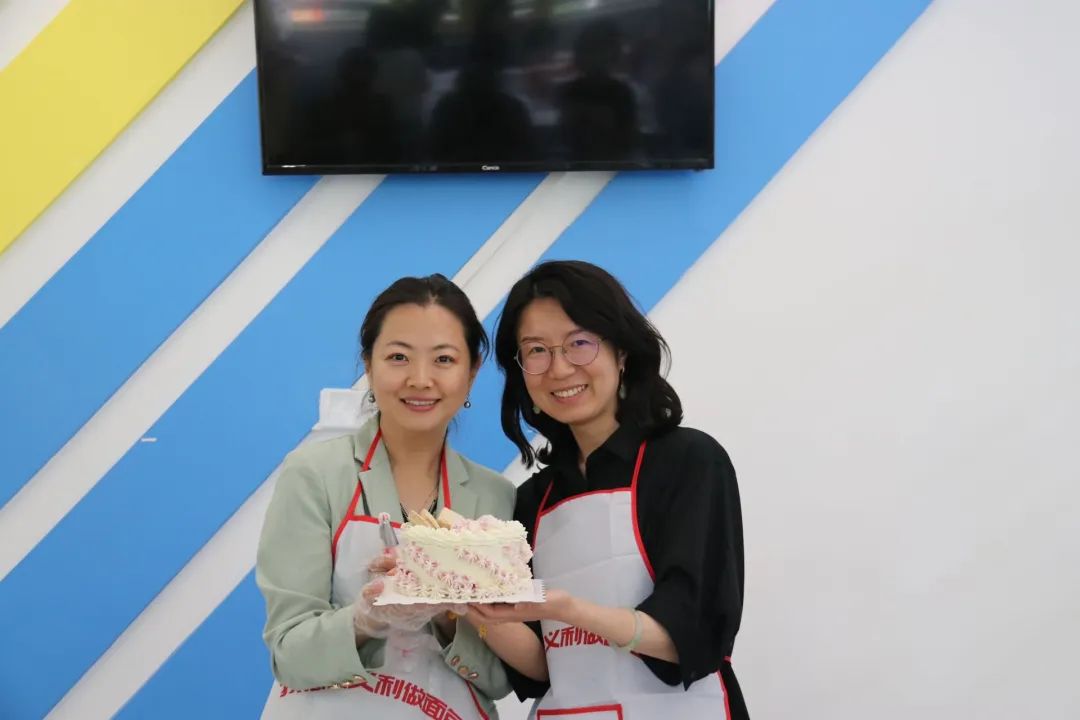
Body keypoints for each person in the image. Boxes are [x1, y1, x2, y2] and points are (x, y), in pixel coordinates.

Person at [471, 260, 750, 717]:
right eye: (536, 350)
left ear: (621, 352)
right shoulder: (532, 500)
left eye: (579, 343)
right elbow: (542, 668)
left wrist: (571, 611)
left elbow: (693, 635)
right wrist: (466, 602)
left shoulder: (688, 461)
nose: (560, 368)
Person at [256, 274, 514, 719]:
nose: (420, 379)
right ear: (369, 366)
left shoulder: (495, 497)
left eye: (444, 359)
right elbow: (289, 652)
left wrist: (446, 615)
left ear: (472, 373)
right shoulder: (315, 474)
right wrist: (367, 619)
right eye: (398, 357)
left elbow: (501, 677)